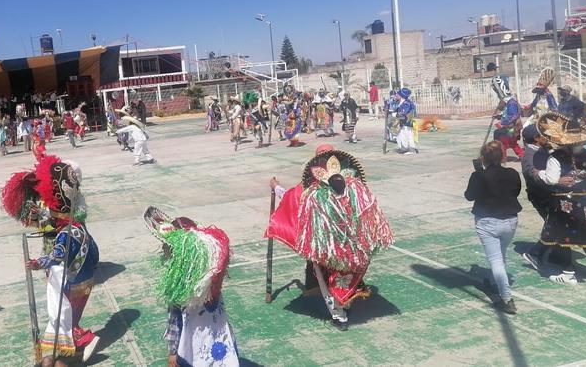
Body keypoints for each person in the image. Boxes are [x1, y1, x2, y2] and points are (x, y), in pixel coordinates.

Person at [266, 147, 393, 330]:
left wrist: (275, 186)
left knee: (327, 281)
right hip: (352, 247)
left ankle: (339, 315)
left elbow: (291, 198)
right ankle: (345, 304)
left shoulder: (311, 191)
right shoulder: (354, 187)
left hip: (325, 247)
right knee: (345, 276)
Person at [2, 154, 101, 363]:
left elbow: (56, 255)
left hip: (73, 283)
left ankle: (83, 340)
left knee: (64, 318)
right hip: (82, 278)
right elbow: (94, 253)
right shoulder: (77, 226)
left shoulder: (67, 234)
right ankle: (68, 349)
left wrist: (37, 263)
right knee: (66, 318)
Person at [143, 207, 239, 367]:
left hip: (193, 350)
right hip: (219, 341)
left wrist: (172, 353)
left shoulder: (180, 291)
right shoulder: (211, 283)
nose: (164, 250)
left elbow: (174, 323)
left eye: (167, 248)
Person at [530, 112, 586, 285]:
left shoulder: (556, 158)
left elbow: (550, 179)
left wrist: (539, 173)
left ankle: (568, 273)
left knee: (563, 238)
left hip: (566, 204)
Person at [464, 141, 521, 314]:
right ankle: (495, 281)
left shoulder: (479, 176)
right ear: (502, 157)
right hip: (510, 221)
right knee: (501, 255)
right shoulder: (512, 173)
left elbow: (469, 196)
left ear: (483, 158)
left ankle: (506, 298)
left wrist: (478, 174)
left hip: (487, 221)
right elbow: (515, 191)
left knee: (496, 260)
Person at [518, 124, 552, 269]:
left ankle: (553, 252)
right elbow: (533, 174)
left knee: (555, 222)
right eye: (543, 134)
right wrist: (554, 178)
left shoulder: (543, 149)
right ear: (536, 138)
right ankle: (536, 253)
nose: (547, 136)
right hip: (540, 195)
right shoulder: (529, 155)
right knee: (554, 223)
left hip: (549, 192)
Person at [491, 76, 524, 160]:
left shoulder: (511, 103)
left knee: (503, 142)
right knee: (512, 143)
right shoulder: (508, 103)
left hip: (512, 128)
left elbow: (513, 116)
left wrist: (503, 123)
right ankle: (522, 155)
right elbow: (506, 114)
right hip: (510, 128)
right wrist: (498, 116)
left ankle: (502, 157)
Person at [396, 88, 418, 154]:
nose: (396, 95)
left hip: (407, 122)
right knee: (403, 134)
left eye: (398, 94)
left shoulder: (406, 103)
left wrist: (396, 114)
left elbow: (403, 113)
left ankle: (409, 149)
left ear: (402, 96)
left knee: (406, 135)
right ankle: (406, 148)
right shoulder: (403, 102)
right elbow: (398, 110)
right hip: (405, 121)